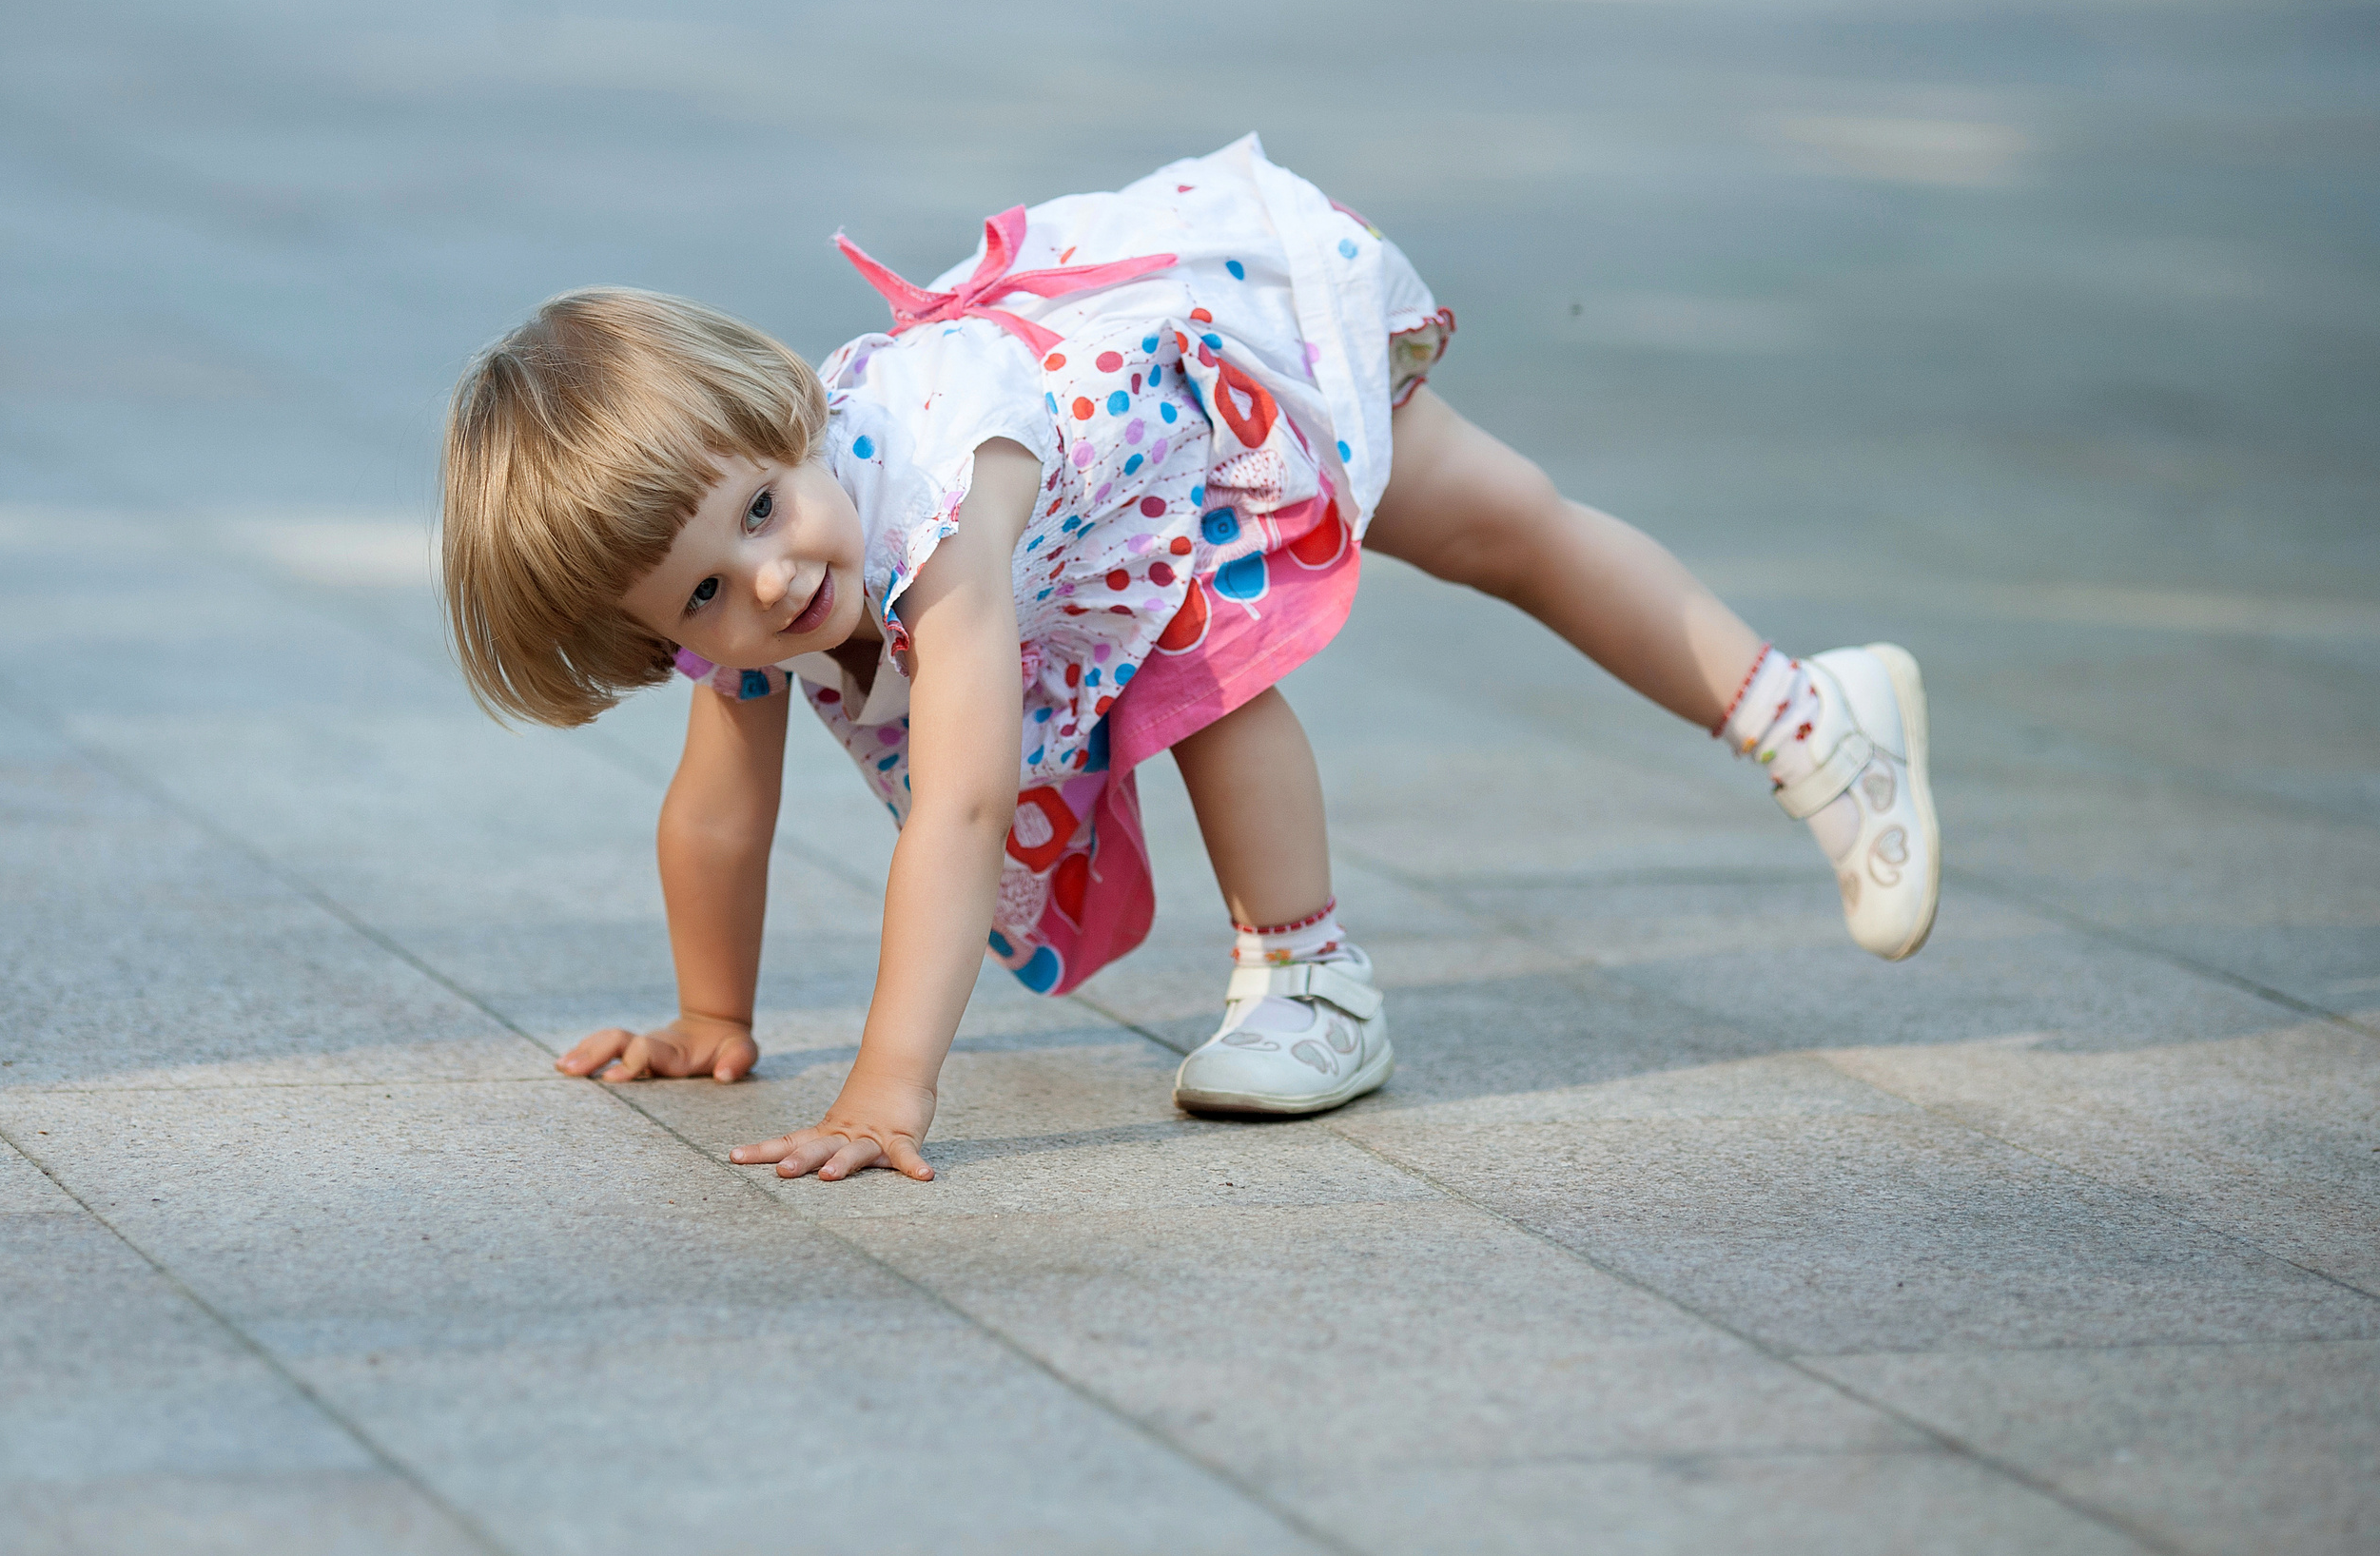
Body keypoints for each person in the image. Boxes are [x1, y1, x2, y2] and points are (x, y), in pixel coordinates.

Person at [439, 135, 1940, 1183]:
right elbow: (718, 808)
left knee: (1471, 547)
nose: (772, 580)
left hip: (1224, 363)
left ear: (780, 421)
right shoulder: (767, 601)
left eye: (766, 509)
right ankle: (1820, 721)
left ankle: (1340, 969)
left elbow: (965, 803)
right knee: (1255, 621)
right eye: (702, 594)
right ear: (652, 635)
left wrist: (888, 1085)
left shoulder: (941, 509)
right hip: (1137, 480)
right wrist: (716, 1017)